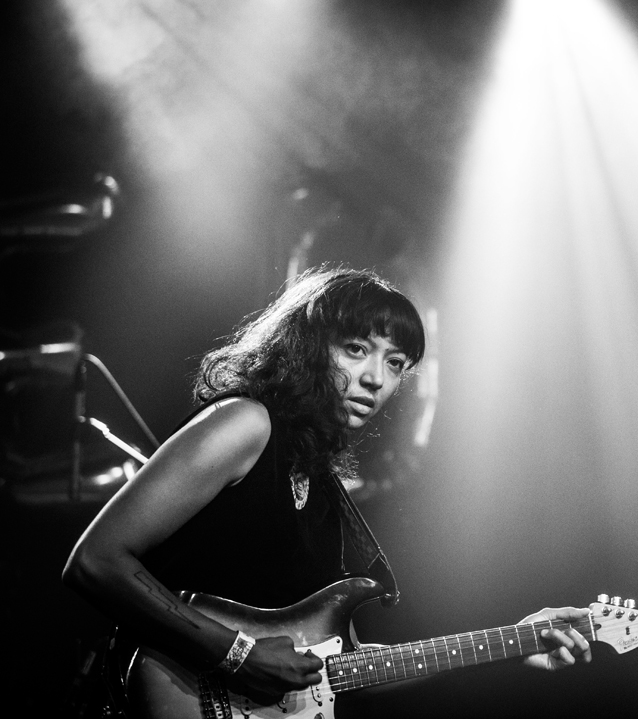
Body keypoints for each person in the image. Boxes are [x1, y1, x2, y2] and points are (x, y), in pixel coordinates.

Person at [62, 266, 590, 708]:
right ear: (309, 345)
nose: (375, 379)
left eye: (395, 363)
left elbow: (343, 665)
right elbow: (95, 560)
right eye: (356, 349)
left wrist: (515, 642)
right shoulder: (245, 424)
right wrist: (235, 654)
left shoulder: (321, 487)